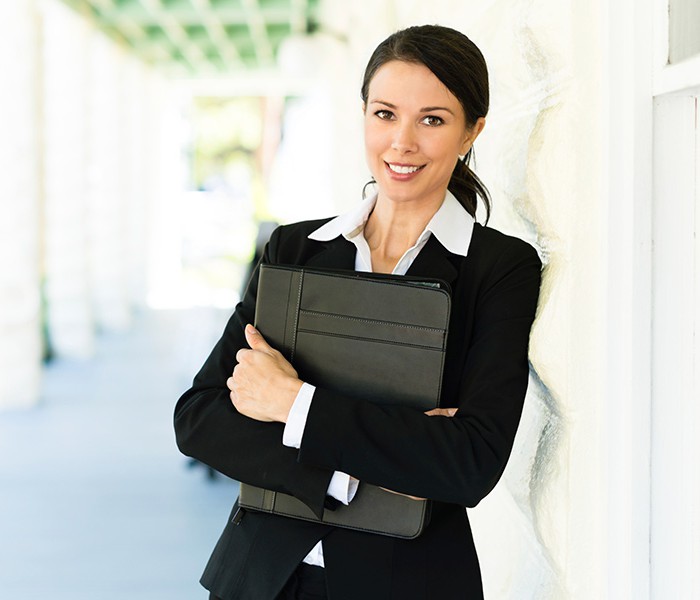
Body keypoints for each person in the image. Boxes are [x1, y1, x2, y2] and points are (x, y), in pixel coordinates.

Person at [174, 24, 542, 600]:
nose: (402, 143)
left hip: (408, 584)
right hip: (263, 578)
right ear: (364, 115)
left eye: (433, 119)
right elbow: (200, 418)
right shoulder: (294, 250)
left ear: (473, 131)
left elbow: (470, 463)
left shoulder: (498, 269)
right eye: (385, 114)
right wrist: (363, 468)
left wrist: (291, 403)